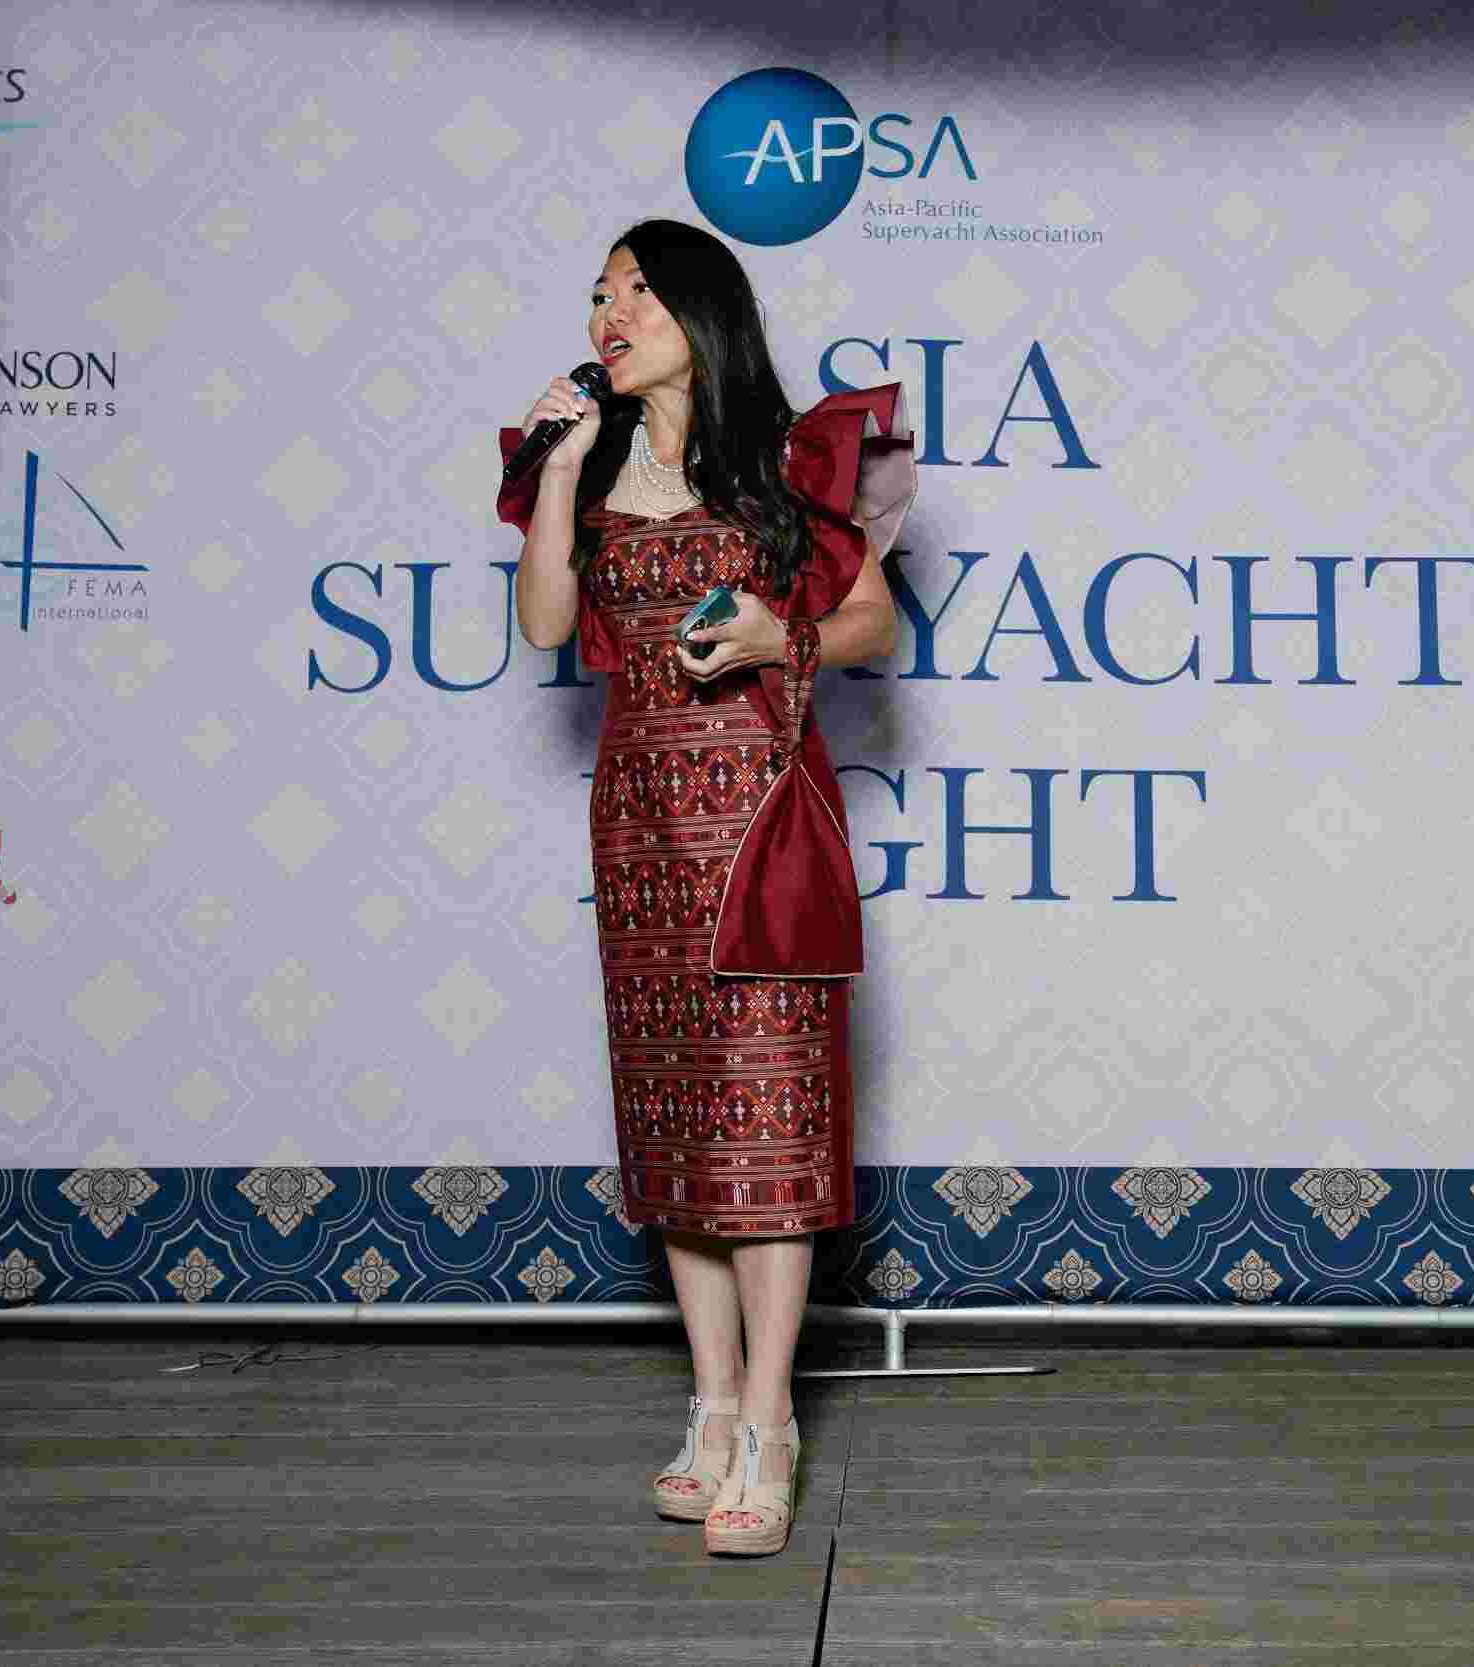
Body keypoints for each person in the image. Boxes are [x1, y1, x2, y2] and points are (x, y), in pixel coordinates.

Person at [497, 218, 915, 1558]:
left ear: (696, 309)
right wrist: (557, 466)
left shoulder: (787, 460)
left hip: (760, 822)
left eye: (632, 291)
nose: (608, 312)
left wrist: (771, 629)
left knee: (770, 1123)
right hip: (640, 827)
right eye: (596, 295)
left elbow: (874, 624)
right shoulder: (595, 459)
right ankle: (712, 1403)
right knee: (675, 1122)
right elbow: (551, 626)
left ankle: (773, 1419)